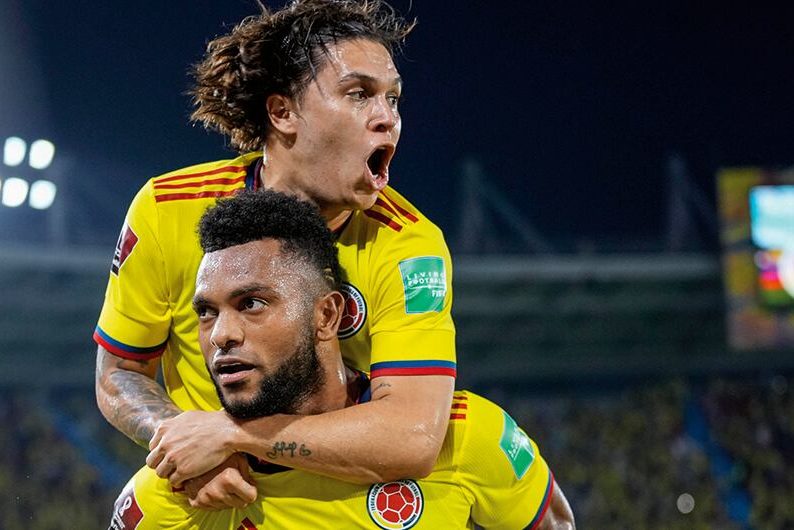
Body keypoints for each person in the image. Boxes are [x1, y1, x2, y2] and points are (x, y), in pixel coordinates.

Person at [95, 0, 456, 504]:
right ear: (283, 112)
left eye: (393, 99)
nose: (387, 119)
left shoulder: (407, 245)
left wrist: (230, 435)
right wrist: (179, 441)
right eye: (358, 94)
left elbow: (412, 435)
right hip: (210, 501)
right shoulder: (166, 210)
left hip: (338, 503)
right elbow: (119, 372)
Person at [109, 190, 575, 529]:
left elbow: (555, 522)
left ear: (327, 315)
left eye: (252, 303)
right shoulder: (180, 494)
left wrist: (237, 434)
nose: (222, 335)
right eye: (206, 312)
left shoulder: (470, 436)